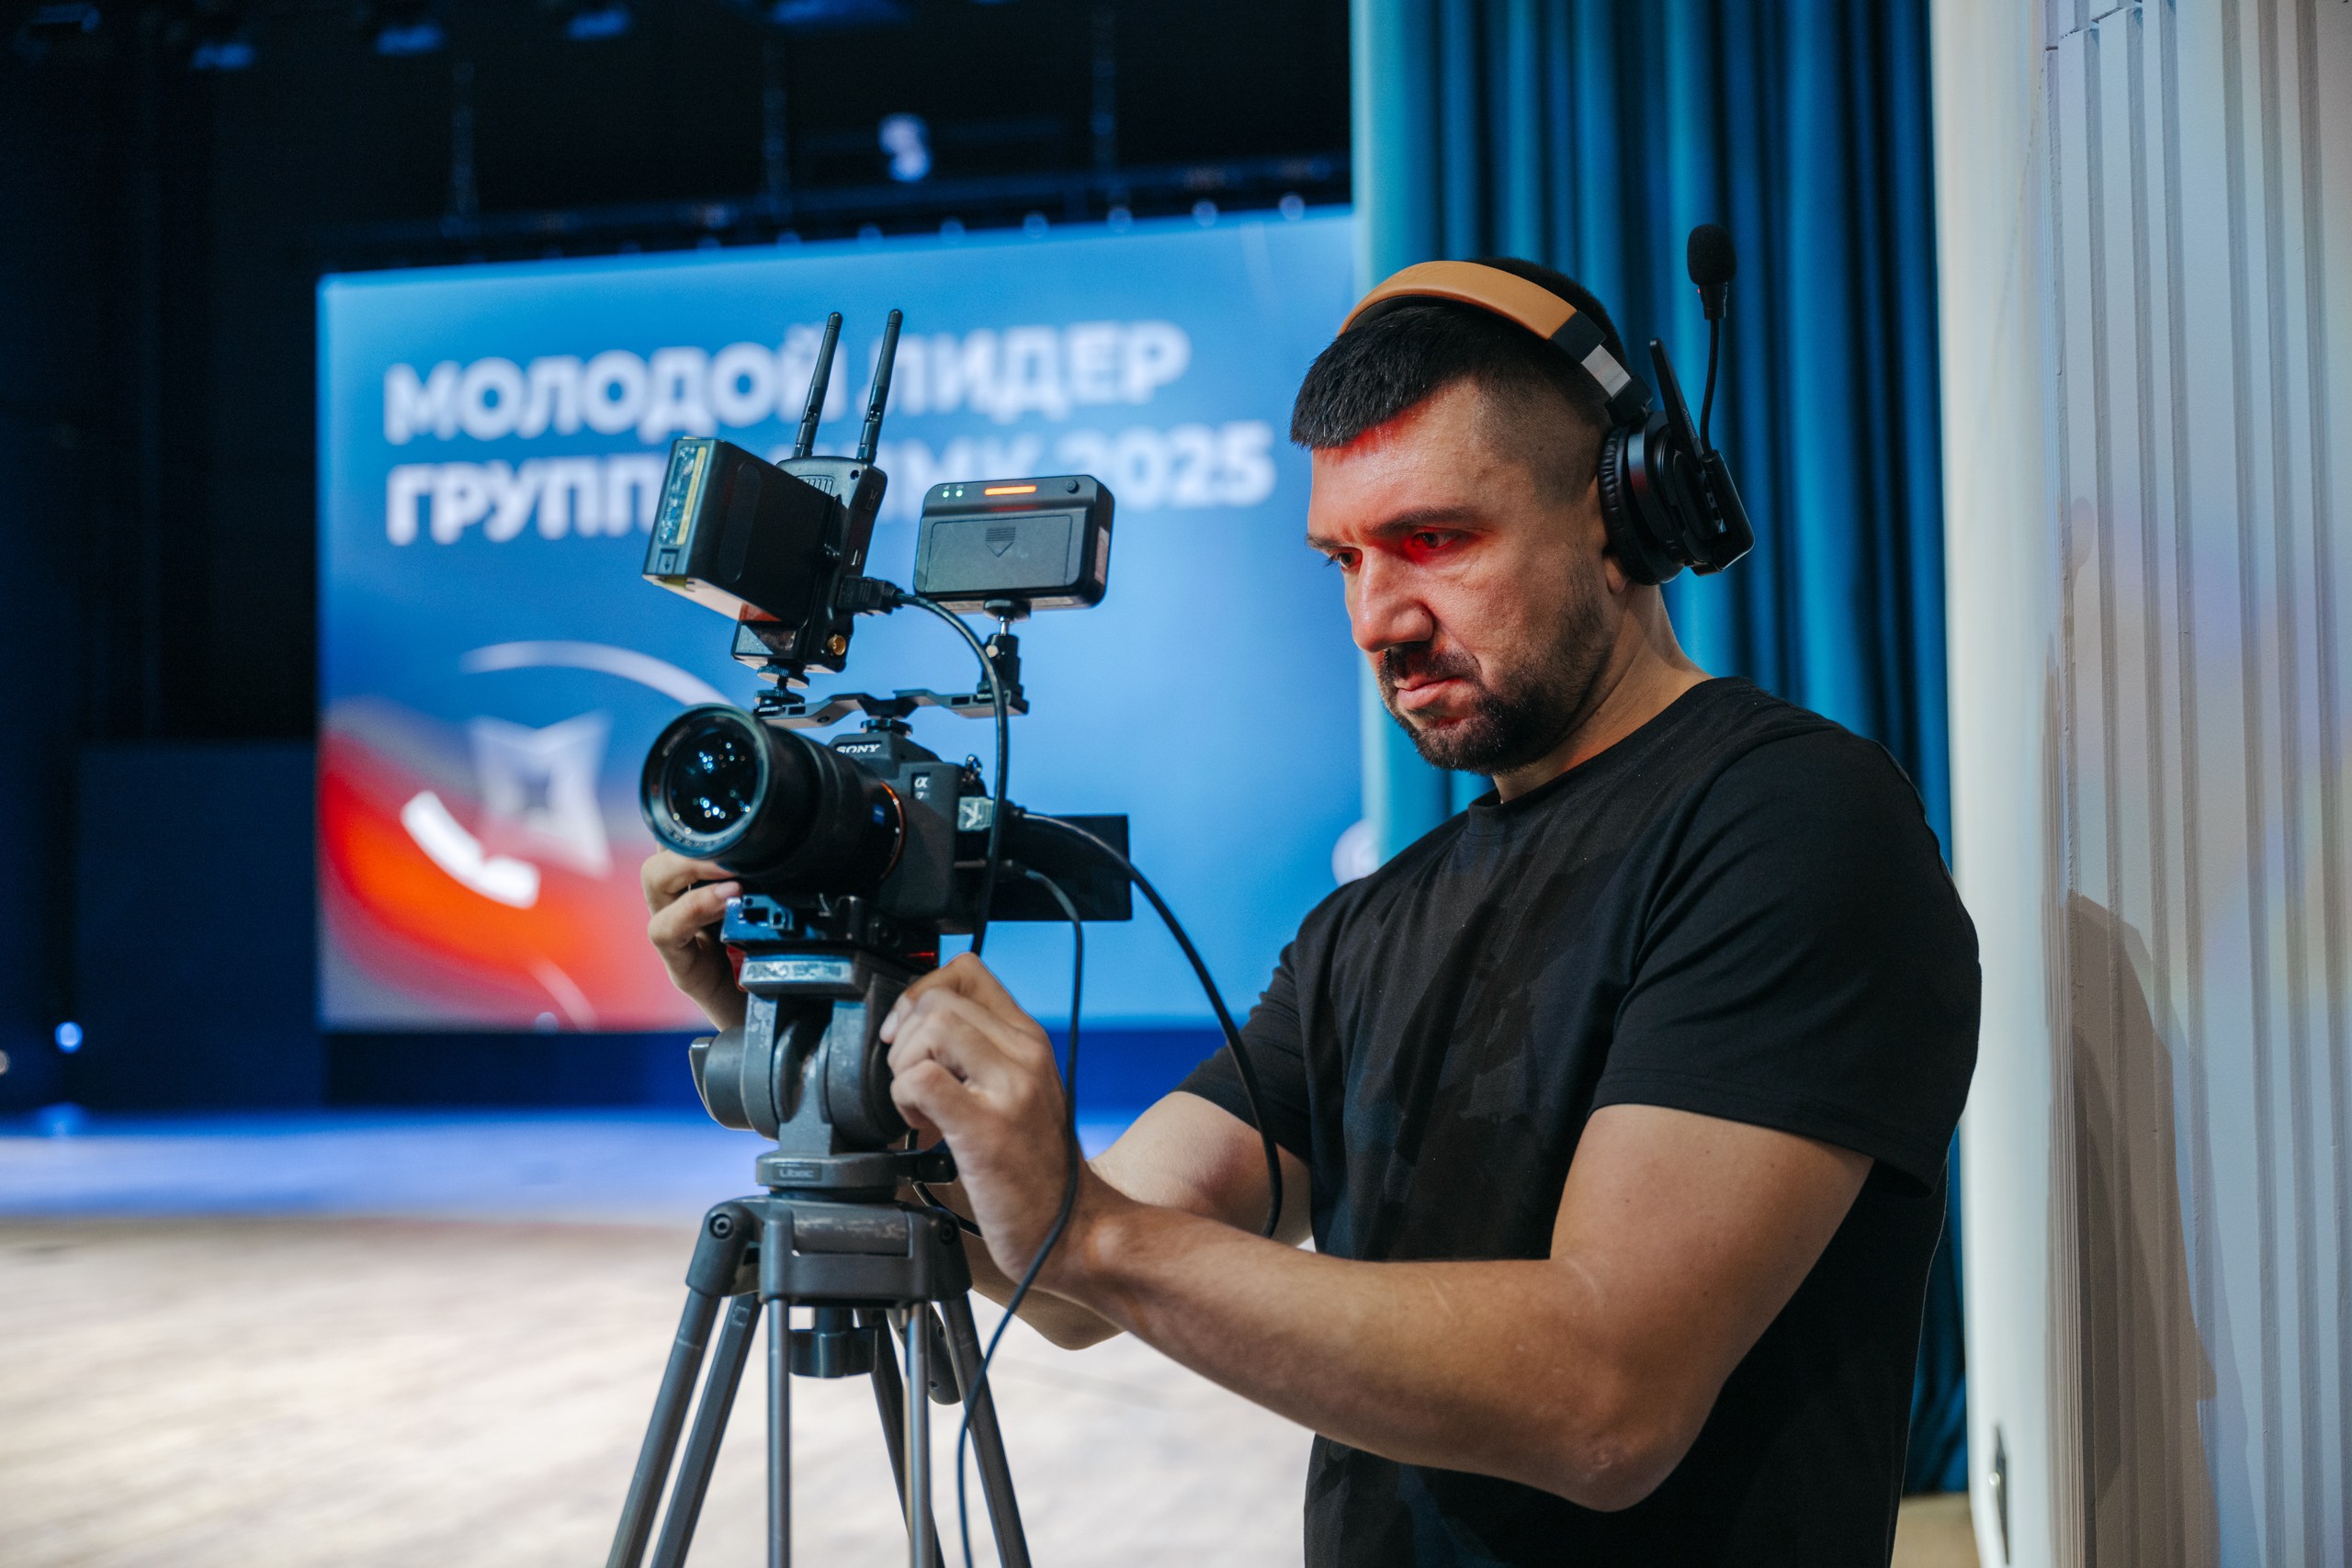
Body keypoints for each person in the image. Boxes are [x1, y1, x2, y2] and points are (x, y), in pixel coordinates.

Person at [641, 259, 1979, 1566]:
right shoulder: (1368, 928)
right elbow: (1066, 1276)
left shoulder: (1790, 824)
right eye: (1344, 557)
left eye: (1435, 540)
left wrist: (1096, 1233)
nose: (1378, 619)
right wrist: (827, 1062)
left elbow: (1606, 1399)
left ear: (1619, 512)